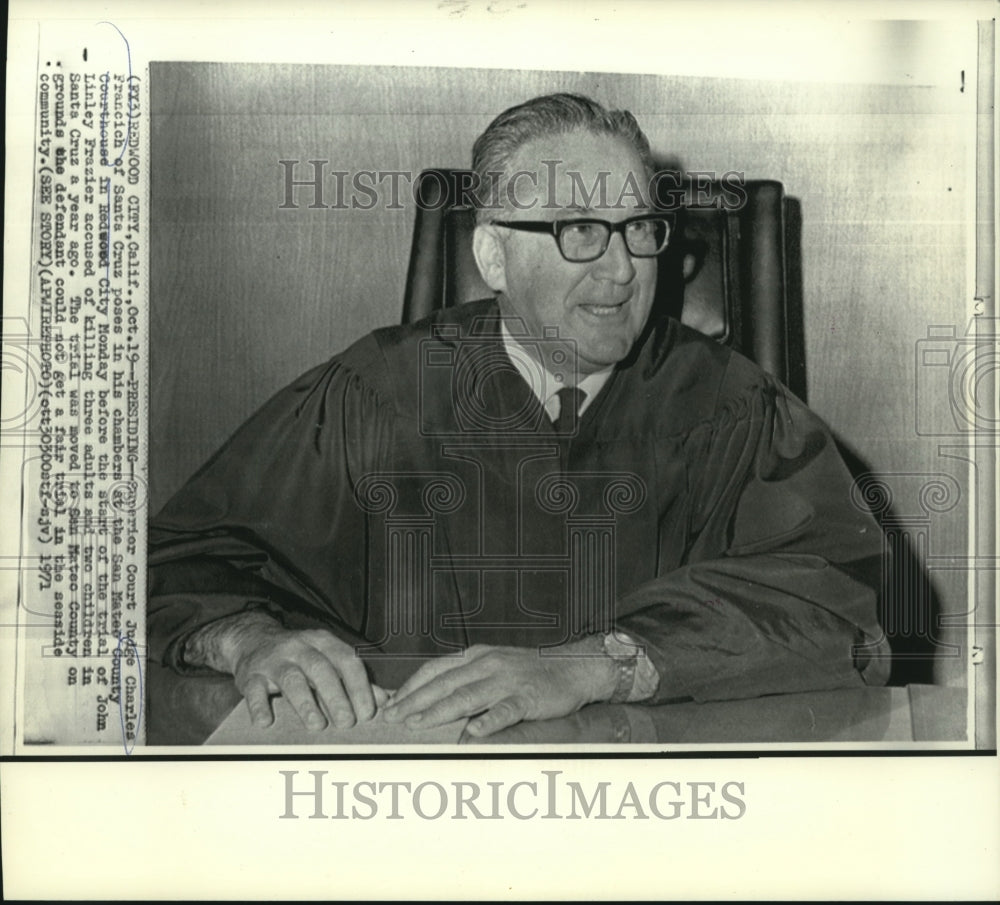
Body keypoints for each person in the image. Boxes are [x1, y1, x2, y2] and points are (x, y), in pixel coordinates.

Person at [148, 93, 890, 741]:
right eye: (580, 231)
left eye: (639, 228)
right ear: (494, 257)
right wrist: (247, 639)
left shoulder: (730, 410)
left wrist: (600, 662)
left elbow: (838, 599)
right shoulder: (374, 394)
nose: (624, 268)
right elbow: (177, 566)